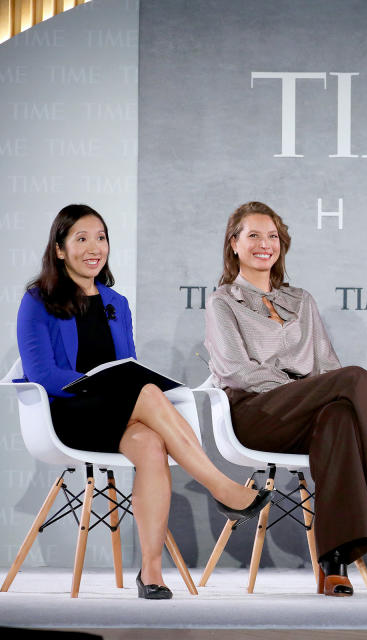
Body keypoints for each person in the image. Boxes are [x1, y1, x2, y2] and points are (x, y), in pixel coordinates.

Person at [16, 204, 271, 600]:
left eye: (100, 238)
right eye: (81, 239)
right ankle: (221, 486)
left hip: (115, 414)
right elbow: (41, 373)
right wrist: (95, 383)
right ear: (60, 249)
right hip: (67, 413)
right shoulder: (38, 300)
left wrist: (117, 383)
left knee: (152, 444)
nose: (93, 247)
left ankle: (151, 572)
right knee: (148, 393)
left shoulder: (116, 302)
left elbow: (127, 365)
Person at [204, 201, 367, 597]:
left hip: (307, 413)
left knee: (339, 419)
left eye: (273, 236)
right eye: (254, 235)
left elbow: (327, 367)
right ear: (233, 244)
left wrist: (313, 390)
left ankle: (333, 562)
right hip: (255, 414)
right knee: (357, 379)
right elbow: (234, 369)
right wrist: (296, 386)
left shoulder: (301, 300)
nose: (265, 244)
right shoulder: (224, 301)